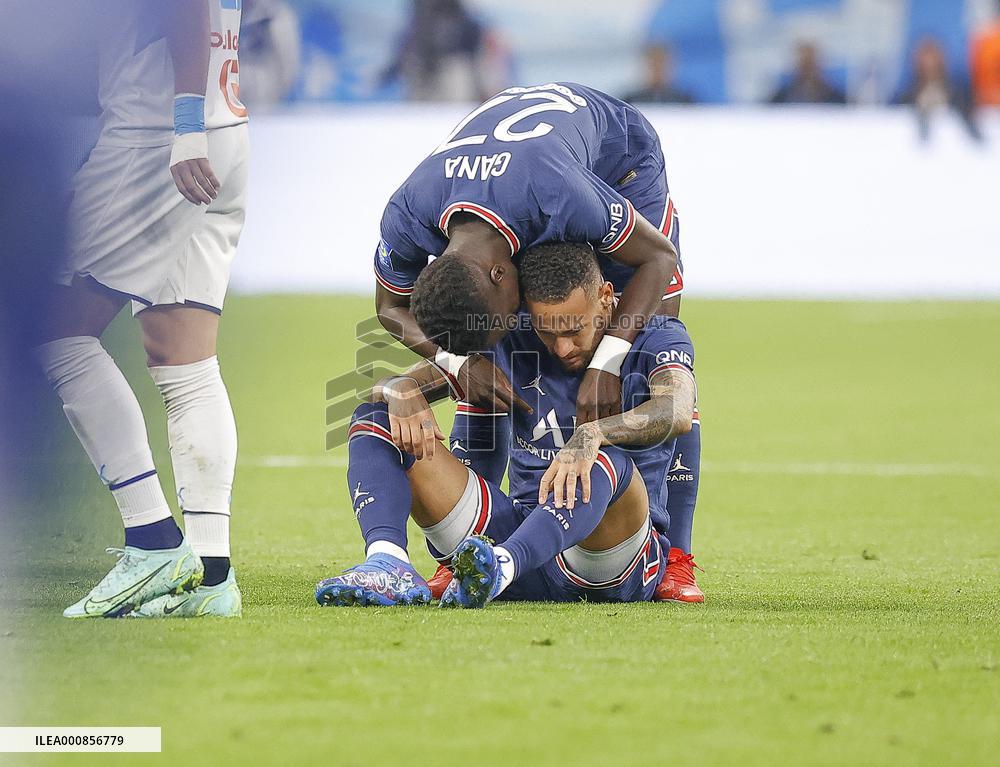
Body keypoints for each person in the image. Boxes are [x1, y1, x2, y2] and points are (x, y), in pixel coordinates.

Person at [373, 80, 705, 602]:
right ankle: (470, 547)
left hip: (617, 167)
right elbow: (388, 308)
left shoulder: (556, 193)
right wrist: (456, 365)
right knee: (504, 358)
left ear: (505, 276)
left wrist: (609, 361)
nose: (511, 334)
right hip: (520, 184)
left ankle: (672, 553)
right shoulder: (409, 212)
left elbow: (658, 258)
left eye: (503, 321)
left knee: (655, 338)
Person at [316, 243, 697, 607]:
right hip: (513, 528)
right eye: (548, 332)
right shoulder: (513, 338)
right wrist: (399, 389)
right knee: (377, 415)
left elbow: (678, 409)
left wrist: (594, 433)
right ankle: (389, 563)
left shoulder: (656, 334)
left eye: (573, 330)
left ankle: (501, 567)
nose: (561, 347)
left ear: (606, 296)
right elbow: (383, 389)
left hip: (608, 556)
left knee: (604, 461)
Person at [32, 0, 248, 618]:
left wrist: (182, 124)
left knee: (52, 331)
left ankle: (151, 539)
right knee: (183, 357)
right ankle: (210, 575)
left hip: (157, 140)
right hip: (225, 130)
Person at [895, 38, 981, 142]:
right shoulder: (907, 94)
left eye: (933, 57)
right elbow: (897, 112)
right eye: (925, 57)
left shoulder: (958, 92)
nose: (929, 63)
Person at [769, 42, 846, 105]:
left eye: (811, 63)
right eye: (804, 63)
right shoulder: (782, 96)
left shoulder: (836, 97)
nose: (808, 69)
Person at [624, 44, 695, 105]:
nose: (657, 69)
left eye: (661, 64)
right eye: (653, 64)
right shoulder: (630, 101)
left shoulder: (684, 101)